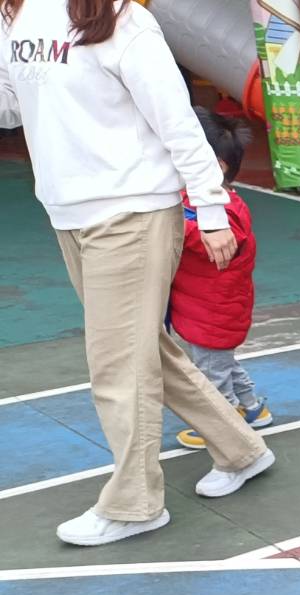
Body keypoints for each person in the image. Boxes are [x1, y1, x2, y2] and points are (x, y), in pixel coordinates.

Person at [2, 0, 274, 546]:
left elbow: (177, 121)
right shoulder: (15, 14)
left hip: (132, 211)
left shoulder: (121, 18)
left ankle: (136, 504)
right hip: (68, 213)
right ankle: (241, 450)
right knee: (143, 350)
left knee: (118, 366)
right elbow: (14, 107)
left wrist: (212, 209)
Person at [171, 109, 271, 450]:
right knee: (224, 364)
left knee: (211, 375)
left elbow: (217, 242)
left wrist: (171, 224)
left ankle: (223, 426)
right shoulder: (195, 198)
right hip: (206, 308)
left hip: (214, 313)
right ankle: (253, 408)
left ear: (216, 166)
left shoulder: (226, 210)